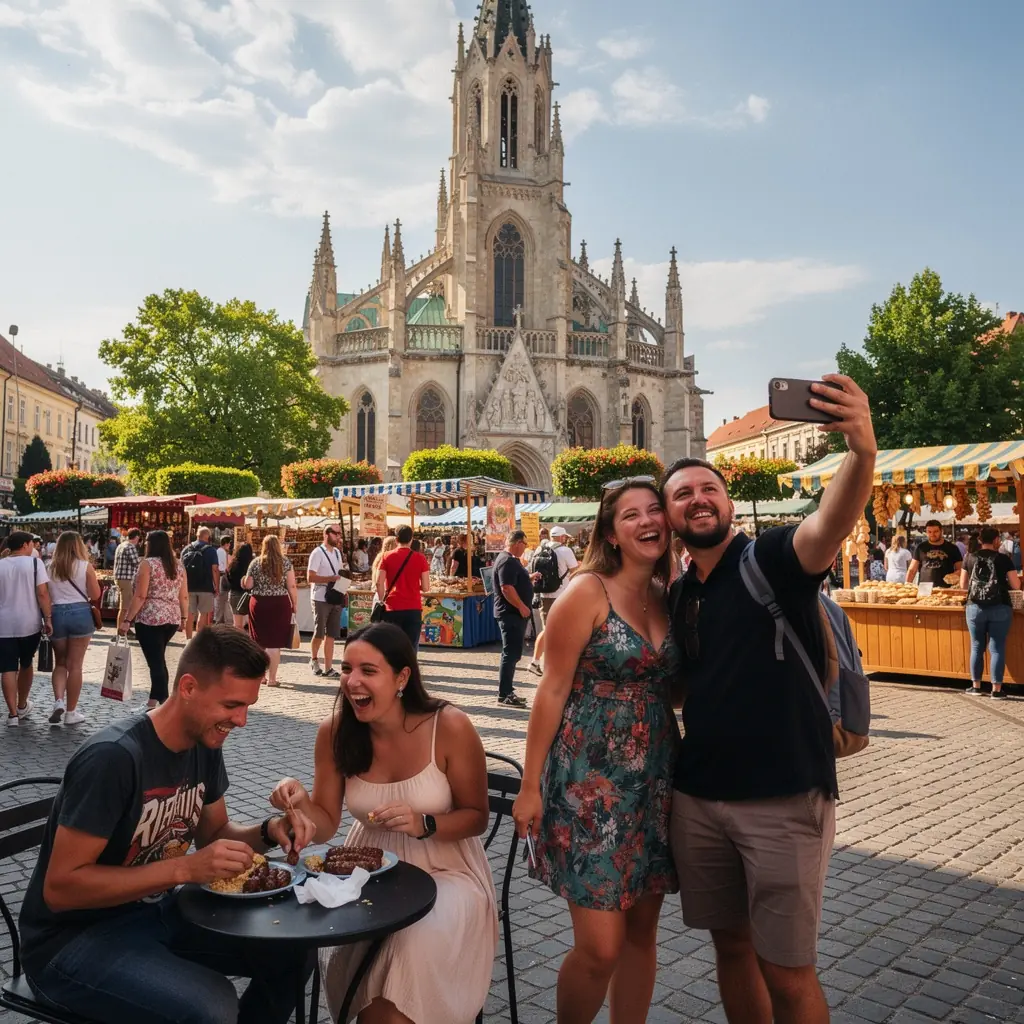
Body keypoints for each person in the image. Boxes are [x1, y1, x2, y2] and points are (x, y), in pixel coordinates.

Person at [662, 374, 877, 1024]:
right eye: (682, 495)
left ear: (727, 502)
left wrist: (862, 454)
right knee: (731, 948)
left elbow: (829, 524)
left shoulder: (775, 559)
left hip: (785, 797)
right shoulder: (678, 595)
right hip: (699, 801)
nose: (698, 500)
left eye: (708, 489)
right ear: (670, 517)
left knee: (788, 974)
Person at [17, 627, 315, 1024]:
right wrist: (183, 869)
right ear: (188, 686)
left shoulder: (204, 743)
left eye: (248, 706)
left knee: (293, 954)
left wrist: (268, 831)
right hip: (69, 942)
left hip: (155, 915)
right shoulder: (114, 759)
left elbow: (215, 835)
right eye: (232, 705)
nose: (242, 721)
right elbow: (61, 889)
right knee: (212, 1007)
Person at [269, 623, 497, 1024]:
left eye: (368, 671)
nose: (352, 682)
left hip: (447, 870)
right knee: (363, 975)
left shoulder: (449, 726)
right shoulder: (335, 732)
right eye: (346, 669)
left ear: (402, 678)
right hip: (367, 871)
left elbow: (477, 816)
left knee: (401, 975)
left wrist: (425, 822)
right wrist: (299, 800)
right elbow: (324, 823)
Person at [512, 481, 680, 1024]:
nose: (647, 520)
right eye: (631, 514)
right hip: (589, 781)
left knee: (640, 934)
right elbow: (552, 690)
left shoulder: (667, 593)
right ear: (611, 532)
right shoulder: (587, 591)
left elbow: (676, 687)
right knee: (600, 947)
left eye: (655, 509)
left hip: (656, 779)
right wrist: (530, 785)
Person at [120, 530, 189, 709]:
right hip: (171, 617)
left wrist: (127, 620)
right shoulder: (178, 565)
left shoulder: (148, 564)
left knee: (155, 662)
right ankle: (154, 701)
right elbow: (184, 596)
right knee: (158, 659)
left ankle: (166, 703)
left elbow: (140, 596)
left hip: (150, 618)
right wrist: (184, 617)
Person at [46, 531, 101, 726]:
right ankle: (71, 712)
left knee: (60, 662)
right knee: (75, 665)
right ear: (78, 546)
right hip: (80, 613)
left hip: (57, 614)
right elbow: (95, 594)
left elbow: (45, 596)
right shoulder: (85, 566)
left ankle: (58, 700)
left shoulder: (49, 568)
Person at [960, 525, 1021, 699]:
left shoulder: (969, 558)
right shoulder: (1004, 559)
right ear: (996, 540)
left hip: (974, 607)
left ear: (979, 540)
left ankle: (976, 687)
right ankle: (996, 689)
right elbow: (1016, 585)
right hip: (1000, 607)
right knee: (997, 647)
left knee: (977, 646)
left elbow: (963, 586)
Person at [0, 531, 53, 726]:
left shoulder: (1, 565)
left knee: (7, 668)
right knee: (26, 663)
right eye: (32, 543)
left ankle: (12, 714)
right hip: (29, 622)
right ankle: (22, 704)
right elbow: (42, 593)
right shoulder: (34, 563)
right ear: (24, 545)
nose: (34, 547)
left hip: (3, 623)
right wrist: (48, 618)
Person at [242, 535, 297, 688]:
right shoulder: (285, 562)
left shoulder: (255, 562)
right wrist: (295, 604)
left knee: (259, 641)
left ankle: (261, 677)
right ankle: (272, 679)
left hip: (259, 603)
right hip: (279, 603)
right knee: (274, 644)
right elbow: (291, 586)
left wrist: (243, 581)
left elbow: (248, 584)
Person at [492, 530, 538, 708]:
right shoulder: (507, 561)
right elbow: (506, 588)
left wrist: (528, 578)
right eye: (525, 544)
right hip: (511, 614)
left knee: (512, 653)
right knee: (510, 653)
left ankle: (507, 691)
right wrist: (521, 606)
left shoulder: (509, 560)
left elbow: (512, 584)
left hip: (513, 613)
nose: (525, 547)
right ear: (517, 542)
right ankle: (504, 694)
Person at [525, 525, 579, 676]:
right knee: (562, 630)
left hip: (544, 595)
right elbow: (576, 572)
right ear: (562, 537)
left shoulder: (539, 549)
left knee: (548, 629)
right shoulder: (565, 551)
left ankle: (537, 662)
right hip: (562, 595)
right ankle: (554, 665)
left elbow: (531, 570)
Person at [376, 525, 431, 650]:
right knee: (410, 648)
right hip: (413, 608)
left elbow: (379, 582)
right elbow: (426, 587)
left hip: (392, 607)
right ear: (411, 540)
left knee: (391, 647)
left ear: (396, 539)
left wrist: (381, 600)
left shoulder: (386, 556)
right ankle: (409, 669)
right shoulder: (420, 558)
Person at [308, 524, 347, 679]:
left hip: (335, 596)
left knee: (331, 634)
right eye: (336, 533)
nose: (339, 537)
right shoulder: (317, 553)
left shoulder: (337, 553)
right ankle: (314, 658)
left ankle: (329, 667)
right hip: (320, 597)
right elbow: (310, 577)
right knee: (319, 632)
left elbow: (340, 573)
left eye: (340, 534)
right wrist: (330, 578)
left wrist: (344, 586)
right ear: (327, 534)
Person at [181, 527, 221, 638]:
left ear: (197, 535)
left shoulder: (186, 549)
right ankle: (198, 643)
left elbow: (181, 569)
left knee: (189, 615)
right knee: (203, 615)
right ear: (207, 537)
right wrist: (216, 586)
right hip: (206, 586)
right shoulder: (211, 550)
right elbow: (215, 569)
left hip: (189, 587)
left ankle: (188, 640)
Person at [907, 520, 963, 588]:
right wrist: (906, 586)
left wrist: (953, 575)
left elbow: (961, 569)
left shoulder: (952, 548)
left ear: (941, 531)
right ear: (926, 532)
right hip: (924, 589)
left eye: (935, 531)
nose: (932, 534)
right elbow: (912, 570)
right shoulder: (920, 547)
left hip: (945, 589)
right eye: (929, 532)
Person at [113, 527, 142, 636]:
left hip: (120, 578)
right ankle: (120, 629)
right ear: (137, 537)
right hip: (126, 579)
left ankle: (123, 628)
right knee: (125, 607)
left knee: (125, 605)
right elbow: (137, 563)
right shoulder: (130, 547)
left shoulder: (121, 545)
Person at [225, 542, 254, 631]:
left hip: (235, 594)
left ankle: (238, 642)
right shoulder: (252, 565)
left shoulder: (232, 565)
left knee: (237, 625)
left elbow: (228, 579)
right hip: (250, 595)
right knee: (252, 624)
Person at [214, 535, 233, 625]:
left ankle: (220, 619)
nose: (229, 545)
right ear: (226, 543)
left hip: (221, 576)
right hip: (222, 576)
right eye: (229, 543)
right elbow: (223, 567)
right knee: (222, 599)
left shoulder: (219, 551)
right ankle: (219, 620)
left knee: (221, 599)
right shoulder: (221, 552)